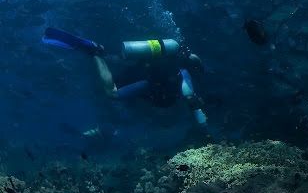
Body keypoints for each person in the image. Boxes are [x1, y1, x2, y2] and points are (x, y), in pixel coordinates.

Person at [42, 27, 208, 128]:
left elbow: (190, 67)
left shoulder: (183, 72)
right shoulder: (183, 80)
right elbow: (188, 92)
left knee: (122, 71)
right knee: (113, 93)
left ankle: (99, 53)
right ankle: (95, 53)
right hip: (152, 82)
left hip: (151, 75)